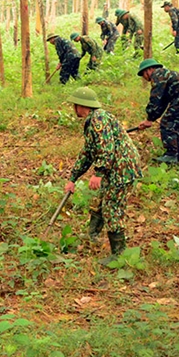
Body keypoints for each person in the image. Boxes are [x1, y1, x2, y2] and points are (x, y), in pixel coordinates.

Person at [64, 87, 142, 264]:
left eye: (74, 105)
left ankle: (119, 254)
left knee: (112, 208)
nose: (73, 108)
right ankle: (93, 235)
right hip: (114, 168)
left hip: (122, 170)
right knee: (100, 201)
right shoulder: (92, 121)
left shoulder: (99, 119)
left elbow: (106, 148)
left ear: (81, 105)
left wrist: (99, 173)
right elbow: (87, 153)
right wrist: (73, 178)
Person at [136, 59, 179, 166]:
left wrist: (150, 118)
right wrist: (151, 119)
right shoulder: (167, 75)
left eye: (143, 75)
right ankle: (178, 157)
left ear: (149, 70)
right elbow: (163, 102)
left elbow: (156, 98)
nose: (145, 78)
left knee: (167, 122)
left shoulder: (158, 74)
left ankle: (171, 154)